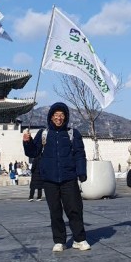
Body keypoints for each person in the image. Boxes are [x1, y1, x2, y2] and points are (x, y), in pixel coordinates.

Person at [22, 102, 90, 252]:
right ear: (51, 117)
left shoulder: (73, 133)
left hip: (69, 178)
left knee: (74, 209)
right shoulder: (43, 133)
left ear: (66, 117)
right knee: (55, 211)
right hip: (50, 179)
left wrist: (81, 172)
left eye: (62, 115)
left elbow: (79, 154)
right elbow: (33, 152)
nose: (59, 118)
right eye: (56, 115)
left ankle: (79, 239)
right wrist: (27, 142)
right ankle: (59, 241)